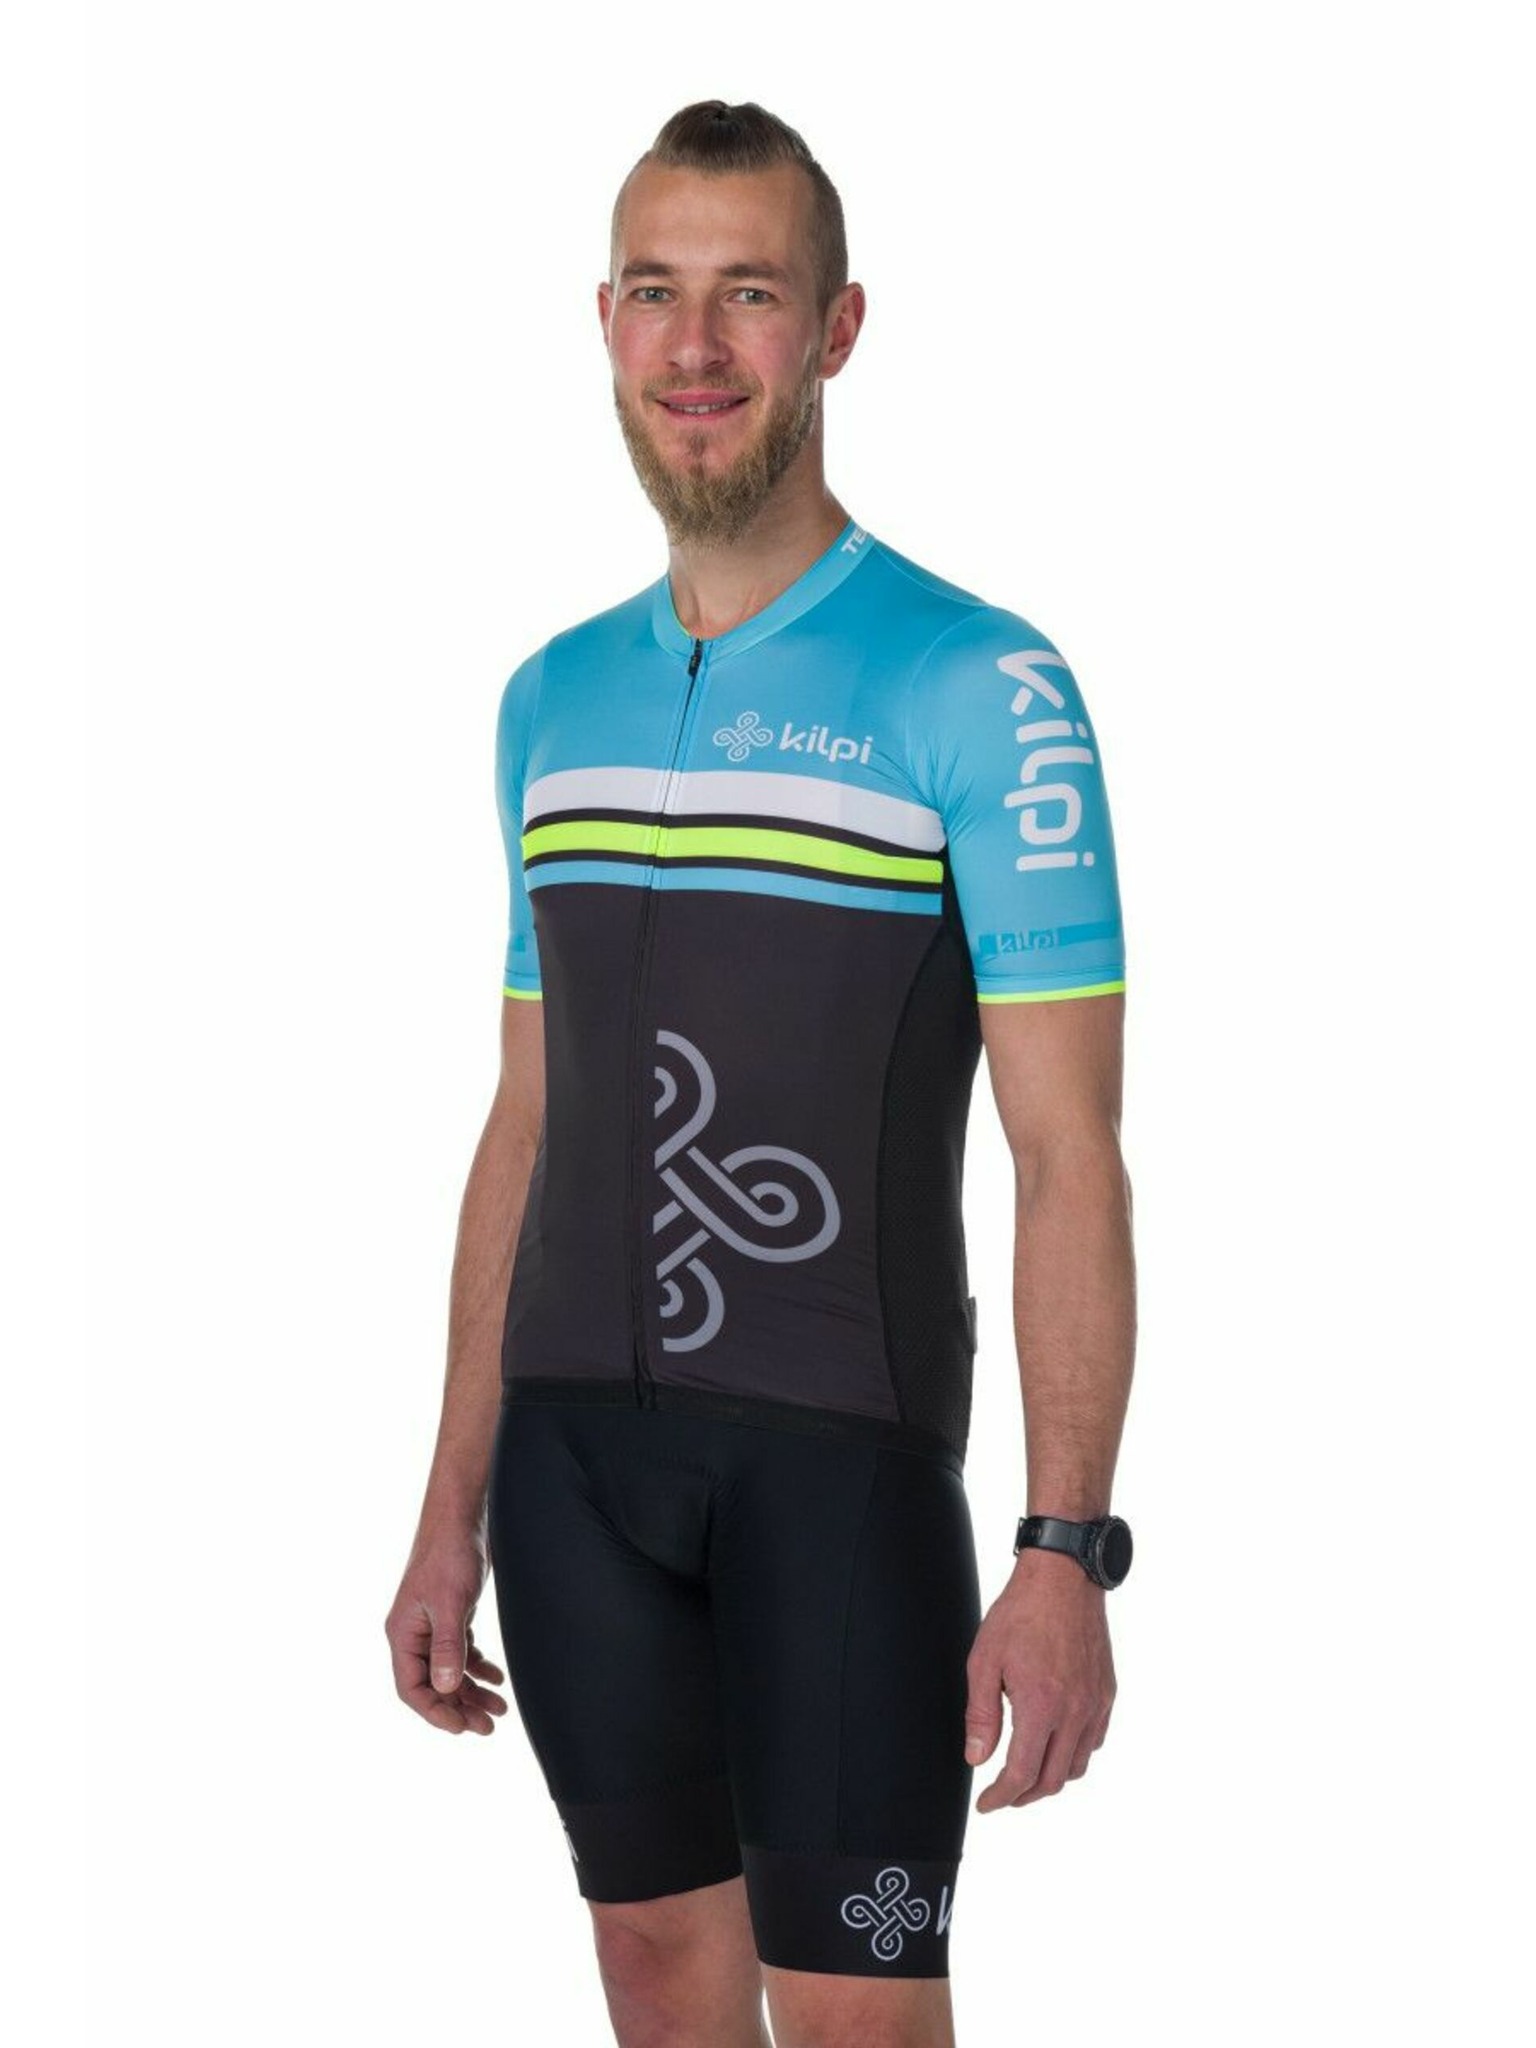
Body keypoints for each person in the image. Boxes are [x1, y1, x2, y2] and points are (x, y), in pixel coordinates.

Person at [385, 97, 1136, 2048]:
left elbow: (1068, 1151)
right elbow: (529, 1117)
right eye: (656, 292)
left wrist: (1064, 1547)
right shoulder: (551, 697)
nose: (696, 345)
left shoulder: (977, 684)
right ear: (606, 323)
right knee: (656, 1981)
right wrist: (452, 1498)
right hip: (571, 1474)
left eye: (749, 294)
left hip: (839, 1476)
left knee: (861, 2010)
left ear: (837, 327)